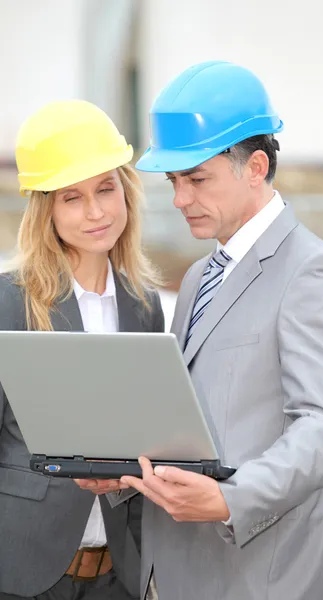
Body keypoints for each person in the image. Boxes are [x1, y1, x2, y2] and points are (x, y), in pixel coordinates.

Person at [80, 61, 323, 600]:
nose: (180, 199)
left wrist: (232, 499)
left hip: (264, 579)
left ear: (255, 166)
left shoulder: (314, 272)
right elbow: (189, 425)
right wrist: (124, 475)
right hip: (178, 574)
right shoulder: (198, 278)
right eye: (173, 181)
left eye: (196, 179)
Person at [0, 100, 164, 600]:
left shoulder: (144, 306)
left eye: (106, 189)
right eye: (72, 197)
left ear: (126, 192)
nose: (96, 212)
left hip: (117, 576)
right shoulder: (11, 301)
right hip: (22, 573)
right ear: (46, 209)